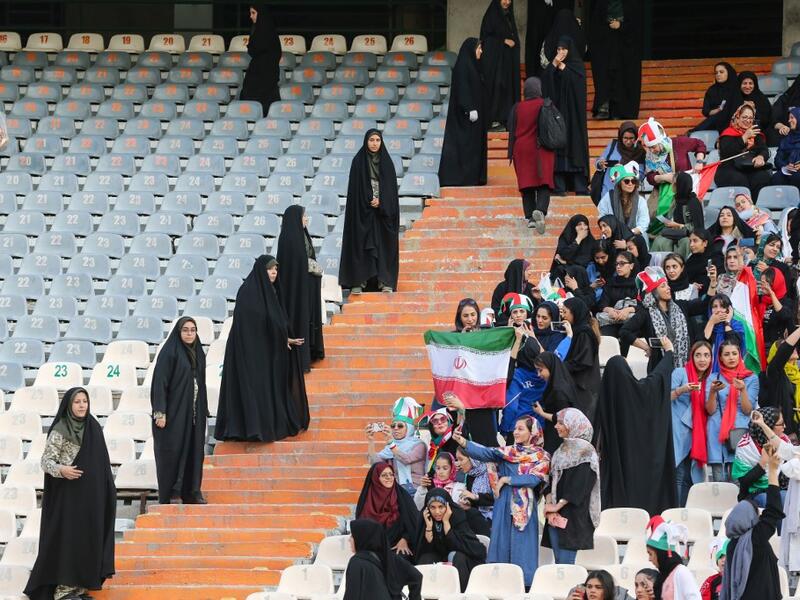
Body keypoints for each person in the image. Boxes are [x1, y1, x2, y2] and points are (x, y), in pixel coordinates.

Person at [24, 387, 116, 600]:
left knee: (87, 539)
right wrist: (62, 470)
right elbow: (46, 462)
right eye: (77, 402)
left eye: (85, 401)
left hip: (91, 497)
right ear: (69, 405)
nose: (82, 405)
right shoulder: (61, 428)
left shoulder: (93, 426)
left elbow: (101, 462)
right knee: (68, 540)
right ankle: (63, 589)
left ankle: (80, 587)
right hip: (68, 497)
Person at [215, 255, 309, 442]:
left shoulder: (272, 293)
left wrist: (284, 339)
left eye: (276, 269)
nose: (274, 272)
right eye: (270, 269)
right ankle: (250, 430)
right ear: (260, 270)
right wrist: (277, 338)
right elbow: (251, 326)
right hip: (249, 355)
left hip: (268, 355)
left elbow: (273, 324)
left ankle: (267, 427)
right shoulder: (248, 293)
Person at [453, 416, 550, 586]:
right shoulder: (508, 452)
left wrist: (506, 480)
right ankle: (499, 585)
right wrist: (463, 442)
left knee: (523, 545)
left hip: (524, 506)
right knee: (501, 543)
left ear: (532, 432)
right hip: (503, 503)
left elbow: (534, 479)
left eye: (521, 429)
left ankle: (523, 586)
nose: (515, 432)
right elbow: (486, 452)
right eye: (515, 428)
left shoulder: (541, 456)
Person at [599, 345, 678, 515]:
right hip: (642, 463)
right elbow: (656, 381)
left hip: (618, 461)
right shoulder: (636, 392)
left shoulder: (604, 398)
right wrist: (668, 354)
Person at [150, 316, 207, 505]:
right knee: (173, 450)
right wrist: (160, 412)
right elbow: (160, 383)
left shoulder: (199, 353)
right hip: (173, 413)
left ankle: (192, 491)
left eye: (193, 330)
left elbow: (202, 383)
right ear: (178, 332)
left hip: (194, 413)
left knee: (194, 449)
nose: (190, 334)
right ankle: (172, 492)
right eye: (185, 330)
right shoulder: (169, 352)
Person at [339, 129, 399, 295]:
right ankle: (359, 281)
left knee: (382, 245)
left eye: (377, 140)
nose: (374, 143)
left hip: (382, 213)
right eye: (371, 140)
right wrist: (367, 200)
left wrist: (382, 202)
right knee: (361, 243)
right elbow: (354, 191)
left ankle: (384, 281)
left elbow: (392, 192)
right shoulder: (358, 162)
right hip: (362, 211)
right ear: (366, 141)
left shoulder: (387, 163)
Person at [503, 302, 572, 444]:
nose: (540, 320)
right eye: (538, 316)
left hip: (517, 430)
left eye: (544, 318)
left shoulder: (517, 376)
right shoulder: (545, 374)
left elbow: (510, 407)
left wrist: (504, 430)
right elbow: (555, 358)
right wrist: (569, 337)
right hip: (538, 429)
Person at [720, 448, 784, 600]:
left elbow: (743, 497)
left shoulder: (732, 545)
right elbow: (773, 511)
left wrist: (763, 463)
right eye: (756, 514)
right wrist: (773, 471)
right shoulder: (755, 539)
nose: (759, 517)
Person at [541, 408, 600, 565]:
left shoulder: (586, 452)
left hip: (573, 518)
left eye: (561, 423)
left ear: (573, 425)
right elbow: (549, 480)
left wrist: (557, 506)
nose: (556, 426)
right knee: (559, 564)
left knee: (566, 566)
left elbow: (579, 486)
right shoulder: (560, 451)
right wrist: (548, 506)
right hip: (554, 516)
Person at [277, 204, 324, 372]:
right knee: (300, 319)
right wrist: (313, 267)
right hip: (295, 290)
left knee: (309, 318)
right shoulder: (289, 239)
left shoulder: (302, 235)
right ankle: (300, 361)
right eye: (304, 216)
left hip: (308, 286)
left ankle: (309, 354)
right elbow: (296, 264)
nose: (306, 219)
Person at [621, 267, 694, 372]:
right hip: (658, 368)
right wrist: (646, 347)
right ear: (654, 292)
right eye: (663, 286)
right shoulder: (646, 313)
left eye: (667, 284)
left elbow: (702, 305)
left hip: (682, 368)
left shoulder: (680, 306)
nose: (668, 288)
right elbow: (624, 332)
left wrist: (713, 282)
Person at [705, 338, 759, 482]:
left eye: (734, 353)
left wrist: (743, 390)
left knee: (737, 480)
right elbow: (710, 411)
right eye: (727, 354)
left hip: (739, 431)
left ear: (739, 355)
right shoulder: (712, 378)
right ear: (720, 357)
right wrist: (711, 392)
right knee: (718, 481)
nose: (731, 357)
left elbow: (748, 410)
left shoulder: (751, 378)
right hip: (716, 432)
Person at [542, 35, 589, 194]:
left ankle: (579, 186)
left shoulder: (577, 66)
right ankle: (559, 186)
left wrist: (564, 70)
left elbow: (579, 87)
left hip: (574, 118)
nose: (561, 52)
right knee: (559, 148)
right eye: (558, 49)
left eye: (564, 49)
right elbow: (545, 83)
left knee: (575, 147)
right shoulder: (553, 67)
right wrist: (554, 64)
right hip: (558, 116)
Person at [507, 77, 554, 232]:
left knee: (526, 184)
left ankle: (530, 217)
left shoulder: (517, 107)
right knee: (544, 182)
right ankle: (540, 210)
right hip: (541, 148)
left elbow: (511, 128)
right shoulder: (545, 104)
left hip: (521, 149)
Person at [416, 488, 487, 591]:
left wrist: (446, 523)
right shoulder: (426, 519)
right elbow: (424, 550)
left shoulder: (457, 516)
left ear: (448, 506)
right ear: (427, 509)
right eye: (432, 507)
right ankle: (427, 595)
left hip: (464, 558)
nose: (437, 512)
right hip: (441, 558)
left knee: (456, 556)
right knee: (426, 558)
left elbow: (465, 547)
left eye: (441, 507)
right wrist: (428, 528)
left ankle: (461, 595)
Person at [438, 38, 487, 187]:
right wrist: (469, 108)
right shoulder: (463, 66)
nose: (481, 51)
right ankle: (461, 178)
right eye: (479, 48)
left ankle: (475, 177)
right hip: (465, 118)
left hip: (475, 118)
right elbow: (462, 89)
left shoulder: (475, 66)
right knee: (464, 146)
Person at [671, 341, 713, 506]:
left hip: (698, 433)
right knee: (679, 474)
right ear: (692, 357)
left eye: (706, 355)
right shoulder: (680, 373)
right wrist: (682, 389)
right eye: (698, 355)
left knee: (691, 476)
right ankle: (674, 513)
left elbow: (710, 409)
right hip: (678, 430)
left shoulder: (711, 379)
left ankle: (686, 515)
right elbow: (664, 397)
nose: (702, 359)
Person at [587, 0, 643, 120]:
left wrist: (621, 26)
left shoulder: (632, 4)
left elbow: (636, 23)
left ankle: (622, 110)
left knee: (623, 76)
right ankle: (604, 107)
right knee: (604, 74)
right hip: (604, 42)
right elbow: (595, 20)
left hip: (626, 46)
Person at [344, 518, 422, 600]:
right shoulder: (389, 557)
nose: (349, 540)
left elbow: (351, 595)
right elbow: (417, 577)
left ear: (362, 538)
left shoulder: (356, 562)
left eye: (352, 536)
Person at [355, 462, 420, 558]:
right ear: (376, 478)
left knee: (399, 559)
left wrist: (405, 539)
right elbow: (361, 530)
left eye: (391, 474)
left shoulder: (402, 496)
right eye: (384, 475)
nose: (389, 477)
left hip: (398, 546)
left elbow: (415, 522)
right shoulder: (367, 501)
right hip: (374, 548)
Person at [367, 397, 426, 495]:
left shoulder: (419, 445)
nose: (396, 428)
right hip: (397, 491)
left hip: (416, 490)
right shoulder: (390, 447)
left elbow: (406, 459)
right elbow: (374, 463)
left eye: (400, 426)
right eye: (393, 426)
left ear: (409, 428)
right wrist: (371, 441)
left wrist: (391, 442)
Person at [732, 407, 789, 504]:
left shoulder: (784, 440)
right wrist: (762, 462)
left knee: (786, 498)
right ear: (769, 426)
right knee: (766, 500)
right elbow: (744, 482)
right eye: (781, 424)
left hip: (777, 488)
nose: (785, 427)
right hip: (754, 493)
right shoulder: (746, 447)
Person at [714, 104, 772, 200]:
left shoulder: (755, 133)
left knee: (762, 177)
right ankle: (743, 208)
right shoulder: (728, 133)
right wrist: (744, 137)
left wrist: (761, 157)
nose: (748, 120)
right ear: (737, 117)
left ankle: (756, 208)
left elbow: (764, 149)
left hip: (750, 167)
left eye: (750, 118)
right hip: (729, 168)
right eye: (744, 117)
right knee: (740, 179)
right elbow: (727, 152)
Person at [480, 0, 520, 130]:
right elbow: (485, 40)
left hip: (507, 65)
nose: (507, 2)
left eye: (509, 0)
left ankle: (507, 120)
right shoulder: (491, 16)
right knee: (496, 89)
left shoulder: (508, 16)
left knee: (507, 90)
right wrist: (502, 41)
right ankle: (494, 120)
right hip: (494, 66)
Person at [561, 297, 601, 422]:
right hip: (575, 386)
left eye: (565, 312)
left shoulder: (584, 333)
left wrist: (560, 366)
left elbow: (583, 361)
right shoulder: (575, 331)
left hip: (584, 388)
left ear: (575, 312)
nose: (563, 316)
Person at [532, 351, 580, 453]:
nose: (538, 374)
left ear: (550, 367)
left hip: (559, 438)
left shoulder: (559, 391)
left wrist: (542, 413)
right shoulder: (560, 382)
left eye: (540, 370)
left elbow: (563, 419)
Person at [650, 172, 706, 257]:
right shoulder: (675, 200)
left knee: (686, 242)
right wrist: (669, 222)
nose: (672, 185)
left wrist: (680, 226)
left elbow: (697, 227)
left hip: (687, 234)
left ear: (681, 185)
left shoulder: (693, 203)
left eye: (675, 183)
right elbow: (671, 216)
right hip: (674, 233)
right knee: (659, 240)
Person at [238, 5, 281, 113]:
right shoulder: (256, 30)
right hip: (256, 76)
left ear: (260, 14)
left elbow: (255, 48)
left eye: (253, 13)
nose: (250, 16)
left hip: (266, 79)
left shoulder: (268, 34)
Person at [644, 518, 700, 600]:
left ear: (660, 554)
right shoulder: (662, 576)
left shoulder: (681, 572)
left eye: (650, 554)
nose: (649, 559)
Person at [593, 121, 646, 202]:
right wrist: (600, 163)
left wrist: (625, 171)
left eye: (631, 138)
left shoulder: (640, 151)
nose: (628, 142)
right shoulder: (613, 145)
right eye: (625, 138)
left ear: (636, 137)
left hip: (627, 193)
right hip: (608, 189)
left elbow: (641, 174)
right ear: (621, 137)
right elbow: (599, 161)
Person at [764, 326, 800, 441]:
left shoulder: (797, 374)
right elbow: (785, 350)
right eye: (789, 347)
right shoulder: (775, 373)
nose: (793, 348)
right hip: (785, 433)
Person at [595, 250, 638, 345]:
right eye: (617, 264)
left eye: (622, 263)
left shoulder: (639, 284)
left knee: (628, 336)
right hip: (612, 320)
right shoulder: (611, 283)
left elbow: (644, 304)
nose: (618, 267)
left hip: (632, 321)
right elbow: (602, 304)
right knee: (606, 339)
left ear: (631, 266)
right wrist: (609, 310)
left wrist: (628, 310)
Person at [597, 163, 649, 239]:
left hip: (635, 236)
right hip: (613, 236)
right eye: (627, 181)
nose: (630, 184)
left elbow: (643, 224)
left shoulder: (641, 201)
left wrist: (628, 234)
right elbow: (602, 217)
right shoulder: (608, 197)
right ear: (619, 183)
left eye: (633, 181)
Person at [691, 62, 742, 133]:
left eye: (721, 72)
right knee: (718, 116)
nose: (718, 75)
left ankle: (692, 132)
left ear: (729, 73)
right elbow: (706, 111)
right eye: (716, 73)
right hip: (715, 123)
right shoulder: (712, 90)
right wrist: (718, 110)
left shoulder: (737, 89)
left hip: (735, 122)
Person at [454, 446, 494, 534]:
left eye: (461, 459)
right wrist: (468, 503)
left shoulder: (492, 471)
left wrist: (476, 497)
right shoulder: (470, 475)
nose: (458, 463)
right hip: (477, 518)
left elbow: (498, 498)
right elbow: (474, 503)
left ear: (473, 458)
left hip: (493, 518)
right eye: (457, 459)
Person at [703, 294, 745, 372]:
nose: (718, 310)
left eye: (722, 306)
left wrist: (727, 322)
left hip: (731, 372)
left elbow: (734, 345)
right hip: (709, 372)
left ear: (729, 309)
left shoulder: (736, 325)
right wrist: (711, 322)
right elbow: (703, 344)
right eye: (715, 306)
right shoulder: (706, 325)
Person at [491, 259, 536, 325]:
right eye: (527, 270)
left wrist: (539, 298)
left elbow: (538, 310)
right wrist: (510, 322)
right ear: (518, 271)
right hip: (506, 326)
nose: (530, 273)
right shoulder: (502, 288)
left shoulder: (531, 288)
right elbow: (496, 309)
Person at [551, 215, 595, 282]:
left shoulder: (591, 241)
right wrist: (578, 239)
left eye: (585, 224)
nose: (582, 227)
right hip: (564, 273)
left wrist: (566, 262)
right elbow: (564, 254)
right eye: (579, 224)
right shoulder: (565, 238)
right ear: (573, 227)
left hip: (583, 275)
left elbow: (586, 260)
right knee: (560, 269)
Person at [771, 107, 800, 188]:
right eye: (789, 118)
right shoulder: (786, 139)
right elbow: (777, 159)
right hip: (788, 170)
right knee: (776, 178)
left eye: (792, 118)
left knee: (797, 177)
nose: (789, 121)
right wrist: (785, 166)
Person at [568, 570, 633, 600]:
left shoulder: (621, 596)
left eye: (598, 587)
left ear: (608, 589)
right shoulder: (576, 595)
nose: (592, 590)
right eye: (589, 587)